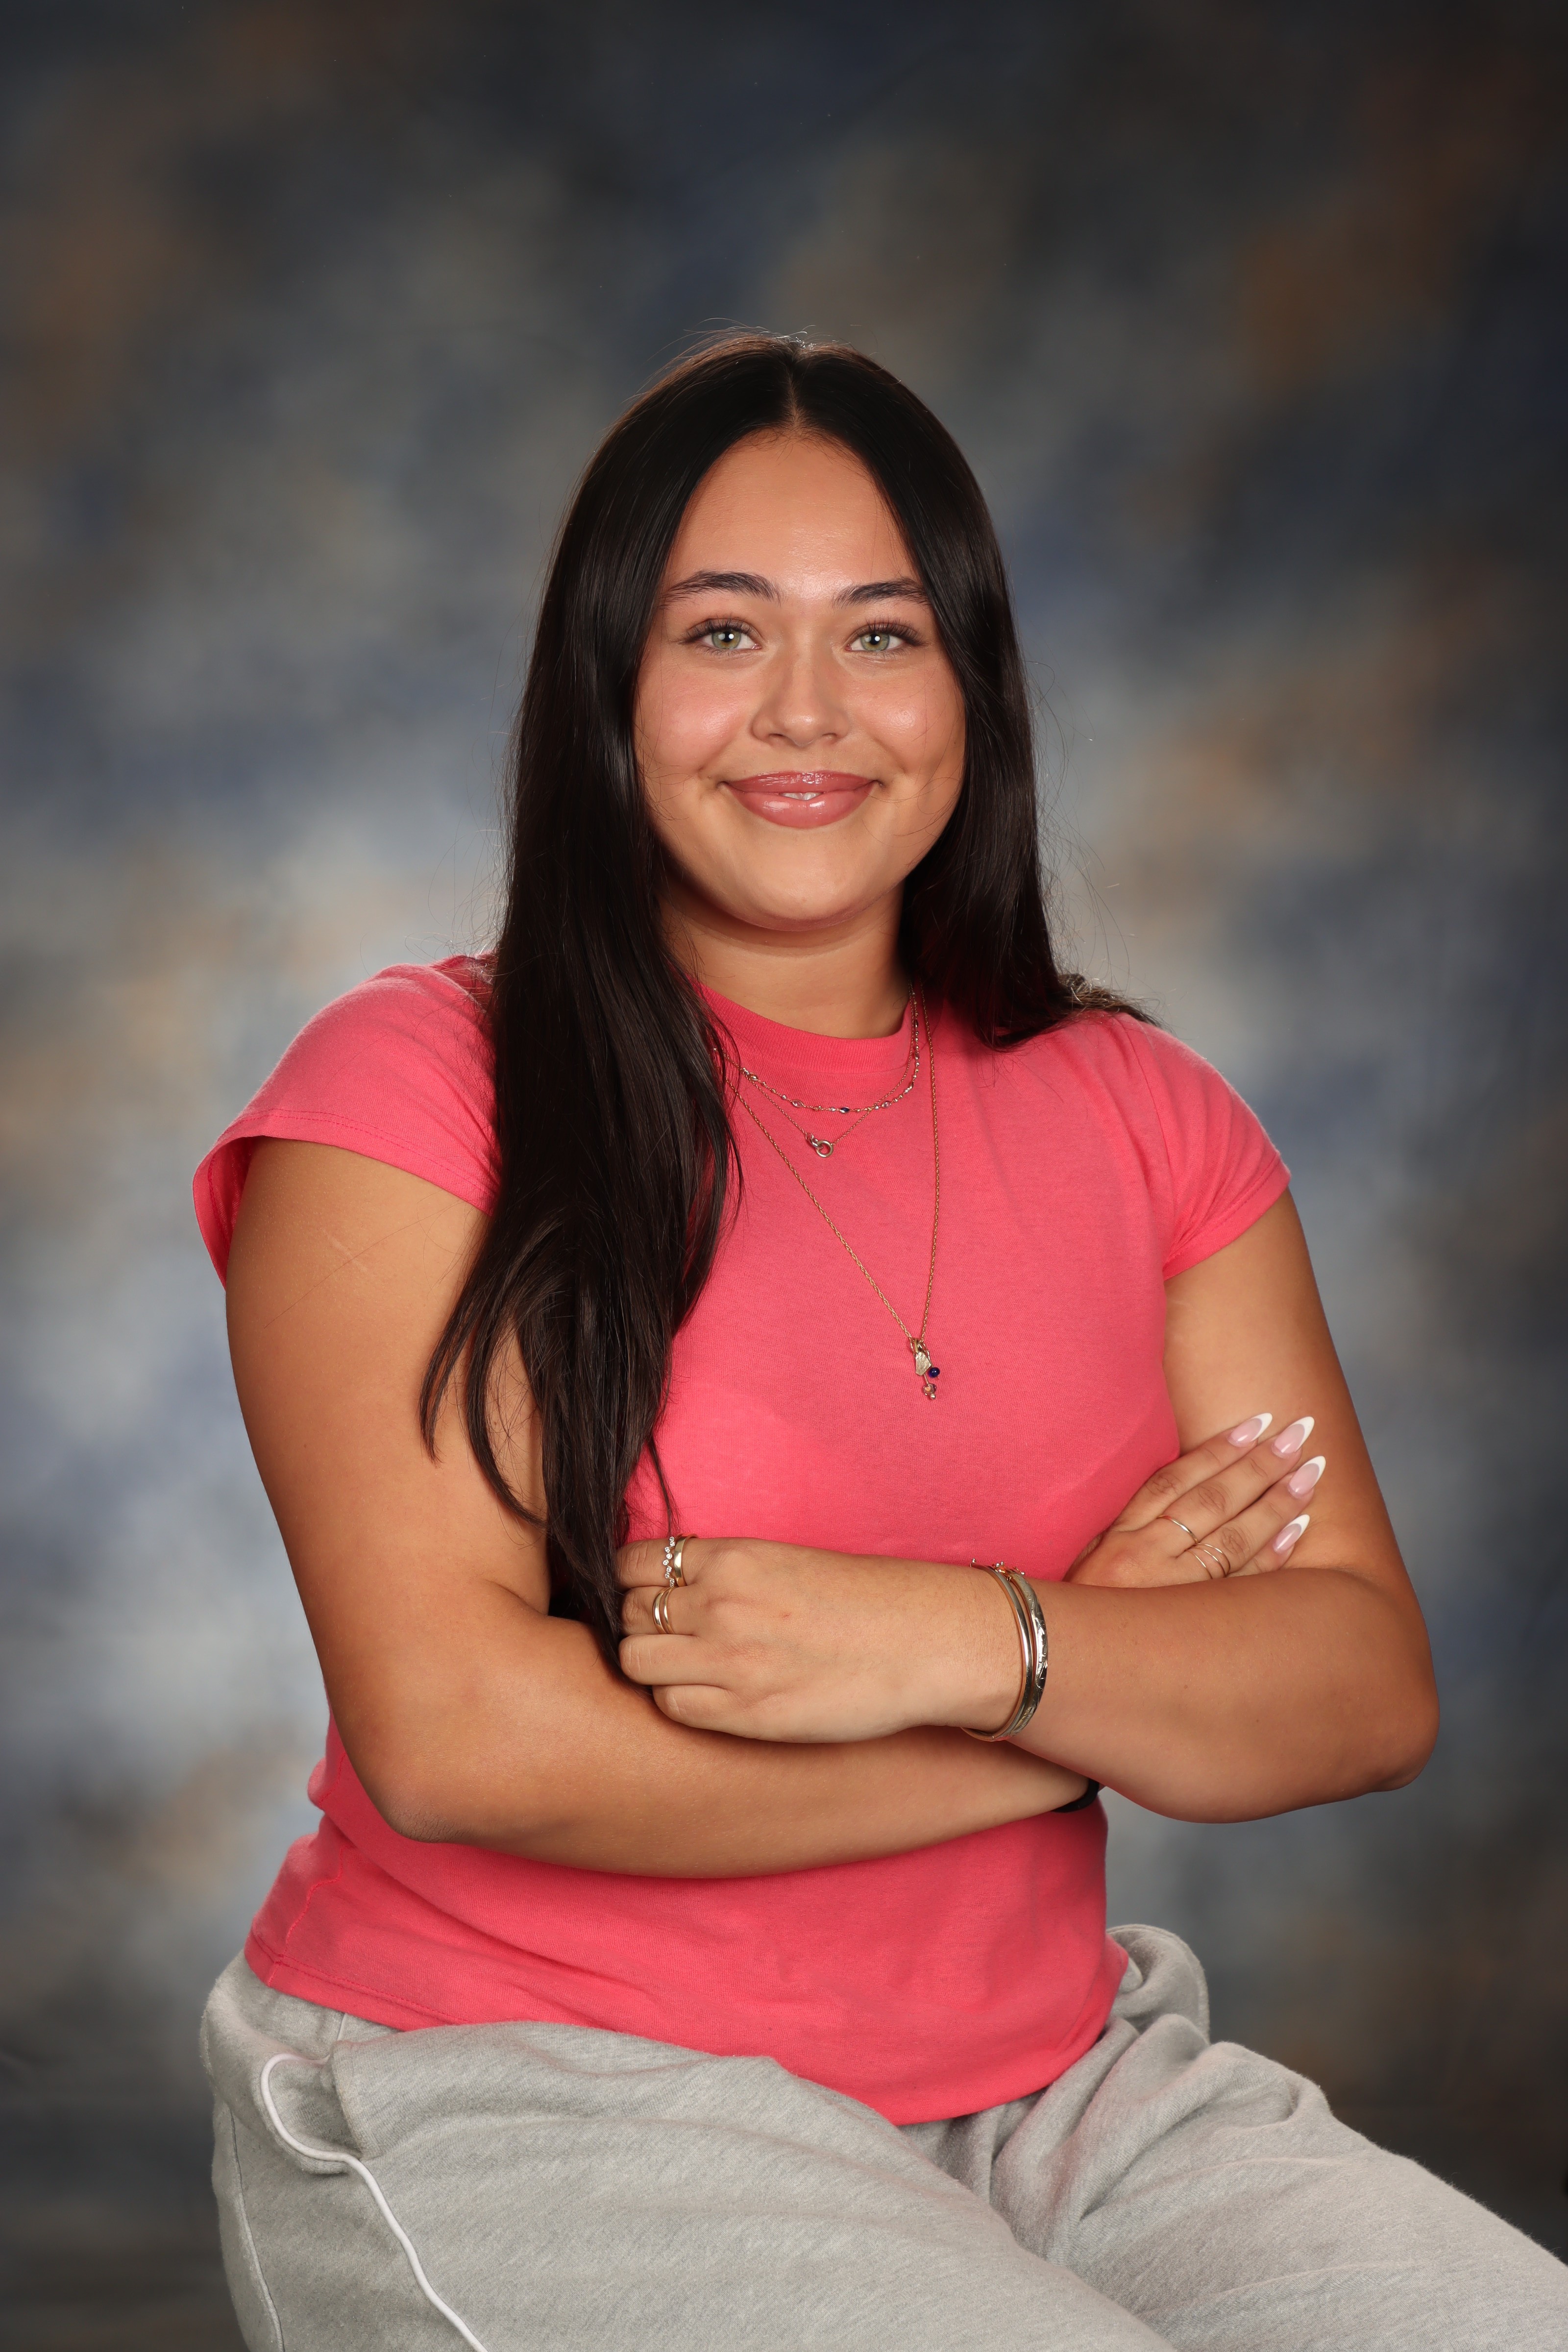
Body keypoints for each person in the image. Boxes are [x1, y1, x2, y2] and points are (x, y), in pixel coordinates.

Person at [194, 335, 1567, 2352]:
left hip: (1062, 2094)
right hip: (531, 2081)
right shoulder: (413, 1095)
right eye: (722, 631)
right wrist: (1072, 1697)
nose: (807, 712)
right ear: (604, 685)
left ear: (970, 689)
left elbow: (1354, 1686)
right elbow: (465, 1740)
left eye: (884, 633)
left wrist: (950, 1641)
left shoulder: (1143, 1113)